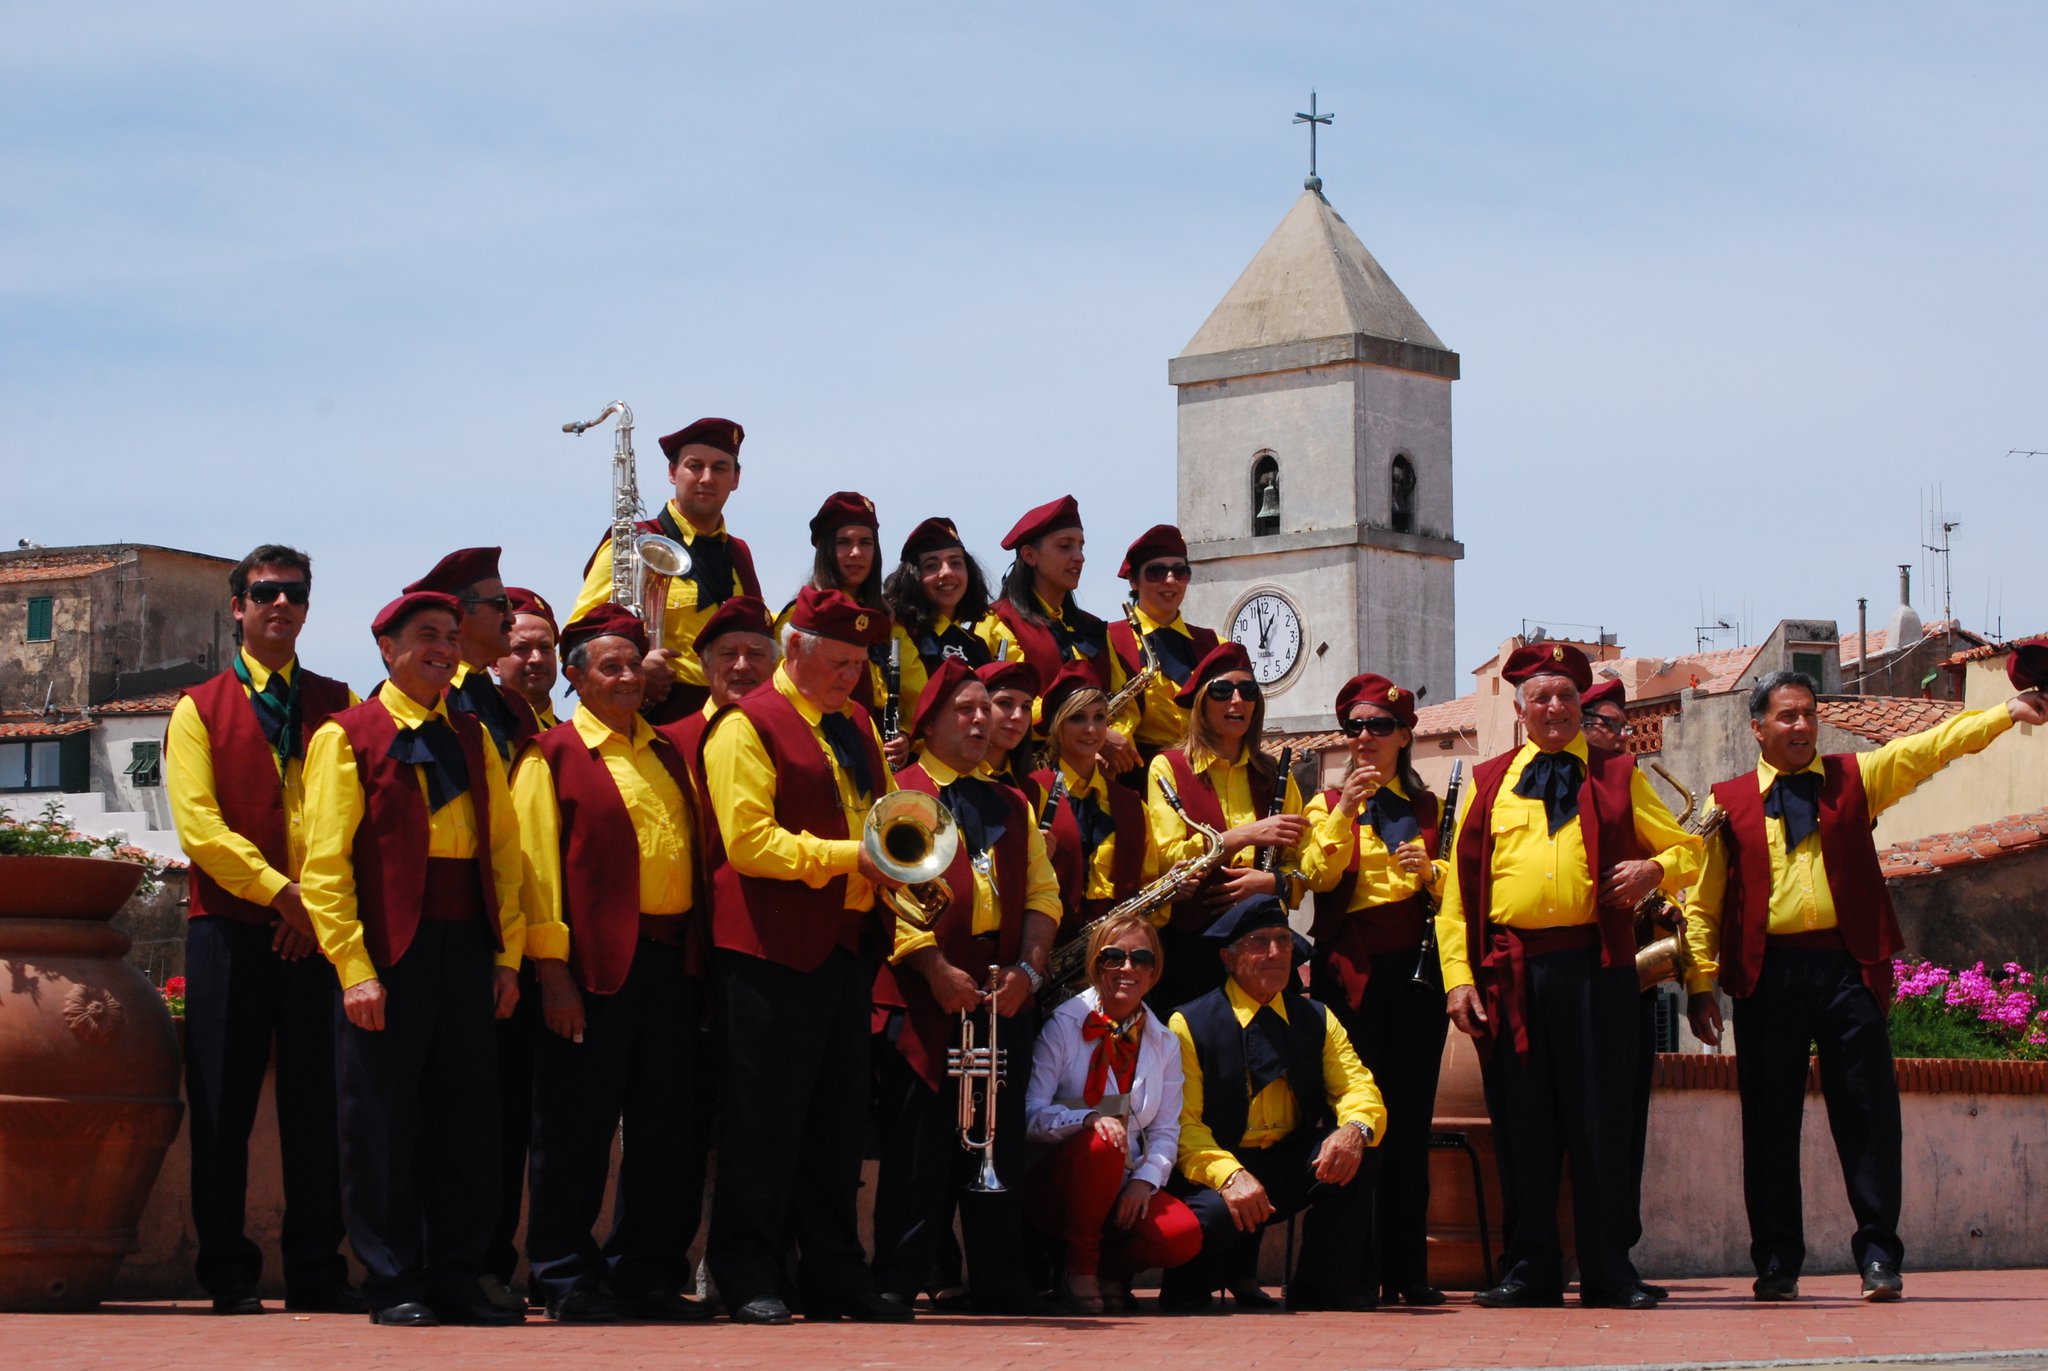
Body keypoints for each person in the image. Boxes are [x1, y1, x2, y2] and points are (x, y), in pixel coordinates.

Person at [1684, 668, 2048, 1303]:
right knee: (1767, 1125)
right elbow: (1703, 904)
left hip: (1847, 968)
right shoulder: (1726, 802)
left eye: (1808, 714)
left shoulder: (1856, 779)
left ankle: (1879, 1256)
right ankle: (1776, 1263)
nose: (1801, 726)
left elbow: (1930, 746)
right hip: (1766, 977)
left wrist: (2005, 712)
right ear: (1757, 727)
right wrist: (1698, 983)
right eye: (1787, 716)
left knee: (1869, 1117)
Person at [1436, 643, 1701, 1311]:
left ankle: (1609, 1269)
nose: (1555, 707)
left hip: (1598, 968)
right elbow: (1455, 898)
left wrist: (1654, 870)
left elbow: (1691, 848)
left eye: (1566, 698)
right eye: (1542, 698)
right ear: (1521, 709)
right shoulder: (1489, 781)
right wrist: (1458, 979)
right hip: (1512, 972)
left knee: (1601, 1121)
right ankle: (1530, 1269)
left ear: (1581, 706)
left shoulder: (1618, 771)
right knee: (1522, 1122)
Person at [299, 591, 527, 1327]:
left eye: (452, 636)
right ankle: (392, 1277)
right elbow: (325, 865)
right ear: (386, 649)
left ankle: (457, 1273)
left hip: (467, 945)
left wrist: (508, 957)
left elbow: (506, 856)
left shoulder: (474, 736)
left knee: (468, 1118)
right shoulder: (347, 736)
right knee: (382, 1120)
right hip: (390, 948)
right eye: (426, 635)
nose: (443, 647)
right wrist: (354, 967)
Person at [700, 586, 910, 1325]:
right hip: (767, 952)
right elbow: (749, 843)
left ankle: (833, 1270)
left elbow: (882, 821)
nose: (851, 676)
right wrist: (856, 857)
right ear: (793, 650)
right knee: (762, 1121)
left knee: (837, 1122)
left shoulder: (852, 722)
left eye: (858, 663)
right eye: (839, 661)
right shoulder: (743, 725)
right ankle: (746, 1268)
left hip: (845, 948)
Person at [165, 544, 359, 1316]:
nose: (281, 603)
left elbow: (351, 813)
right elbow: (199, 829)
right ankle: (228, 1272)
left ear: (308, 606)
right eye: (266, 591)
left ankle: (318, 1270)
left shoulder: (337, 701)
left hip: (315, 930)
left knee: (320, 1108)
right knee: (223, 1106)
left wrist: (313, 904)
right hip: (231, 929)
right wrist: (284, 894)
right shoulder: (197, 706)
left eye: (296, 592)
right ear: (237, 606)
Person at [513, 605, 715, 1324]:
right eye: (611, 665)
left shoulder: (666, 752)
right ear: (574, 676)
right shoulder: (552, 754)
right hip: (591, 970)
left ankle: (648, 1274)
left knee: (668, 1130)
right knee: (574, 1128)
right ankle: (565, 1274)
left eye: (634, 663)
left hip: (669, 965)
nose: (629, 676)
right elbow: (535, 869)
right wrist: (553, 969)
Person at [870, 658, 1063, 1313]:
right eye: (967, 708)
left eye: (990, 708)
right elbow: (889, 893)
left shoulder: (1011, 800)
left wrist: (1029, 971)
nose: (984, 720)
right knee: (918, 1145)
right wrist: (931, 967)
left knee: (997, 1139)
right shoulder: (903, 789)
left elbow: (1042, 893)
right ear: (929, 720)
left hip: (998, 993)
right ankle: (899, 1275)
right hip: (923, 991)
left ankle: (998, 1276)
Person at [402, 547, 540, 1309]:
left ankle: (481, 1258)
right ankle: (430, 1264)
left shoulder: (509, 706)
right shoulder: (426, 697)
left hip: (499, 930)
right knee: (431, 1111)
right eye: (495, 607)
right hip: (427, 929)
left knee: (494, 1114)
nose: (509, 618)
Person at [1299, 672, 1451, 1306]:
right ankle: (1343, 1272)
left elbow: (1459, 891)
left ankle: (1406, 1271)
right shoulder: (1323, 804)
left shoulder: (1429, 809)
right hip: (1349, 971)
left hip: (1415, 977)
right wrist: (1342, 810)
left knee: (1410, 1123)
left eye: (1379, 726)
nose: (1365, 737)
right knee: (1348, 1117)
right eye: (1355, 727)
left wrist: (1431, 872)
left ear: (1404, 735)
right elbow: (1314, 875)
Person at [1160, 895, 1387, 1313]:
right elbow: (1183, 1126)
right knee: (1208, 1223)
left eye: (1284, 940)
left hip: (1286, 1163)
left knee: (1361, 1152)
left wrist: (1355, 1130)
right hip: (1219, 1166)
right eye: (1258, 942)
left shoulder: (1318, 1017)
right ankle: (1199, 1281)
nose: (1276, 953)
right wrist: (1229, 1176)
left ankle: (1321, 1289)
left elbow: (1359, 1088)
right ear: (1228, 958)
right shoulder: (1188, 1024)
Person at [1024, 912, 1201, 1314]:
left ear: (1154, 970)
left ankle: (1109, 1270)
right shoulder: (1062, 1025)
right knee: (1104, 1140)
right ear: (1094, 964)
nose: (1128, 968)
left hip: (1123, 1181)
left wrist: (1145, 1181)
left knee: (1182, 1235)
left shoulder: (1165, 1041)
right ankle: (1080, 1270)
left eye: (1141, 958)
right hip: (1057, 1186)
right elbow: (1029, 1115)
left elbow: (1164, 1131)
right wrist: (1086, 1120)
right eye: (1113, 957)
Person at [1144, 642, 1308, 1015]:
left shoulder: (1274, 775)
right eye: (1223, 691)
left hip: (1264, 948)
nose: (1237, 700)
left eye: (1248, 691)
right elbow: (1166, 858)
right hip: (1192, 951)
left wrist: (1272, 884)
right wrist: (1244, 836)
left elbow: (1304, 863)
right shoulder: (1167, 768)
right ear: (1203, 701)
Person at [569, 416, 762, 719]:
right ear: (673, 473)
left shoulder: (739, 553)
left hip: (731, 717)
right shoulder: (631, 543)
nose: (707, 478)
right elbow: (576, 638)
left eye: (720, 468)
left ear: (736, 479)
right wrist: (635, 670)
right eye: (695, 466)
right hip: (655, 718)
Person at [1578, 675, 1667, 1299]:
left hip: (1622, 973)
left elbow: (1680, 851)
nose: (1619, 736)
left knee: (1623, 1122)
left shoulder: (1630, 781)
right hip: (1561, 966)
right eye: (1607, 724)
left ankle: (1617, 1252)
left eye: (1621, 725)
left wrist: (1659, 885)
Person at [978, 495, 1139, 774]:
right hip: (1027, 773)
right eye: (1065, 546)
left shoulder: (1095, 628)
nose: (1079, 557)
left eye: (1081, 546)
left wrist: (1112, 735)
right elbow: (1002, 702)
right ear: (1029, 555)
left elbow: (1126, 704)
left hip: (1097, 777)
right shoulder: (997, 621)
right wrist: (1092, 735)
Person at [1029, 662, 1155, 951]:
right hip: (1046, 956)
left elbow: (1147, 882)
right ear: (1057, 725)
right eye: (1077, 718)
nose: (1091, 729)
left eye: (1100, 718)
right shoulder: (1029, 793)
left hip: (1117, 957)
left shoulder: (1131, 804)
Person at [403, 547, 540, 764]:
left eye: (510, 606)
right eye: (501, 605)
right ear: (461, 614)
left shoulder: (517, 707)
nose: (512, 619)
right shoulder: (421, 700)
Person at [1107, 524, 1219, 762]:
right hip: (1133, 774)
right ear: (1133, 581)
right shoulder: (1108, 639)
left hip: (1204, 770)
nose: (1170, 580)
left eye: (1180, 572)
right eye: (1156, 572)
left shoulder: (1214, 644)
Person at [881, 515, 994, 730]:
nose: (947, 573)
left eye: (955, 563)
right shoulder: (903, 631)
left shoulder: (977, 646)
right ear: (913, 576)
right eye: (932, 566)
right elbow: (917, 699)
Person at [977, 659, 1044, 802]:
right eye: (1005, 703)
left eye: (1026, 707)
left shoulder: (1034, 792)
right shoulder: (947, 783)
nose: (1018, 716)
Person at [495, 587, 561, 729]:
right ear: (494, 663)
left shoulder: (579, 742)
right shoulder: (476, 732)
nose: (537, 659)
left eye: (545, 647)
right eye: (521, 649)